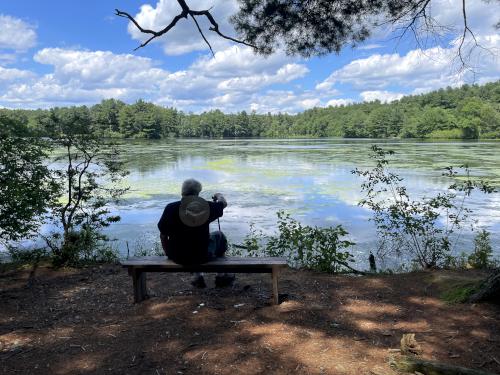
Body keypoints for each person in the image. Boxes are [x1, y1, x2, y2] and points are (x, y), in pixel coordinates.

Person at [157, 178, 234, 288]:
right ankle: (221, 276)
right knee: (219, 236)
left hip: (178, 256)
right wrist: (218, 195)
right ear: (198, 192)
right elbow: (223, 203)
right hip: (202, 256)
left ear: (182, 191)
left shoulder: (171, 208)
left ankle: (197, 278)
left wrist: (168, 252)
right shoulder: (206, 207)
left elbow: (163, 234)